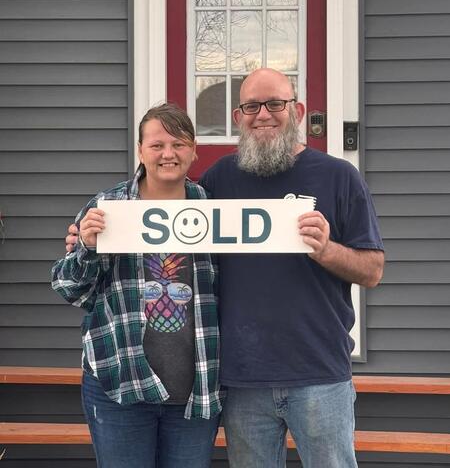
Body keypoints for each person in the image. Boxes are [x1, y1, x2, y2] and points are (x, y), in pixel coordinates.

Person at [198, 68, 384, 468]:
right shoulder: (218, 180)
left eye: (275, 104)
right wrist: (94, 235)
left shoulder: (339, 177)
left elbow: (372, 271)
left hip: (319, 371)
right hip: (243, 376)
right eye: (252, 106)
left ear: (296, 111)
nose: (263, 114)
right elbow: (172, 233)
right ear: (238, 117)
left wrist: (326, 250)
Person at [52, 103, 222, 468]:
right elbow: (69, 287)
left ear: (193, 150)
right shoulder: (107, 207)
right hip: (119, 381)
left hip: (194, 390)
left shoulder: (212, 208)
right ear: (141, 150)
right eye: (157, 145)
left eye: (178, 144)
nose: (168, 154)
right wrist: (88, 248)